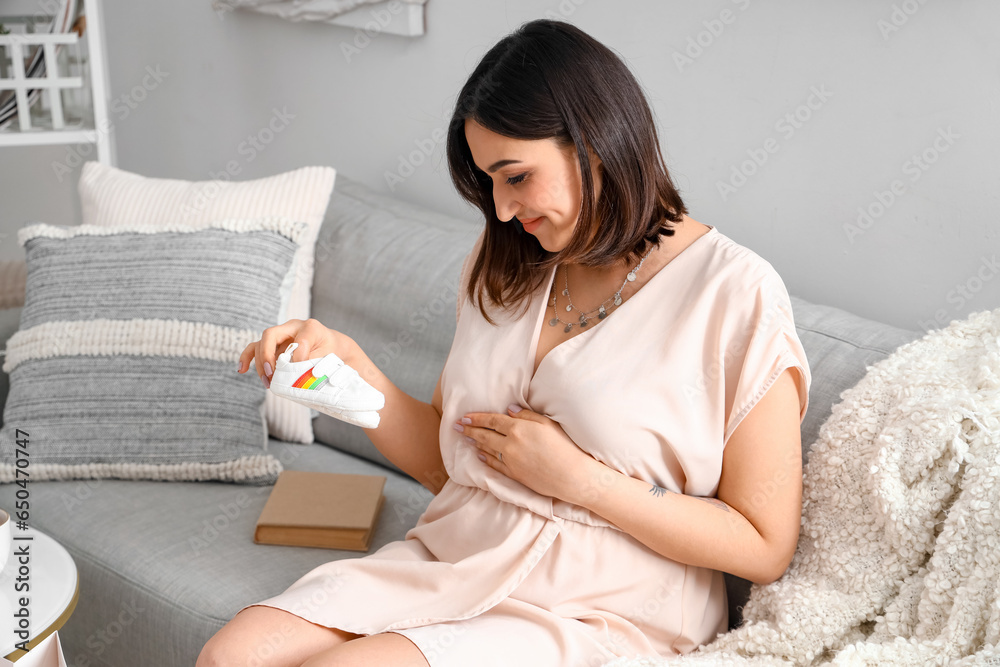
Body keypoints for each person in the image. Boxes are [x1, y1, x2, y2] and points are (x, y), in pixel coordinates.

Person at [197, 18, 811, 667]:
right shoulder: (506, 264)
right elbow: (451, 461)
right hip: (456, 556)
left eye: (515, 176)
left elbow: (765, 543)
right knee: (229, 656)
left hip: (605, 605)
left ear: (594, 142)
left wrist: (582, 480)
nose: (500, 207)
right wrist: (347, 372)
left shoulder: (735, 294)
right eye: (488, 181)